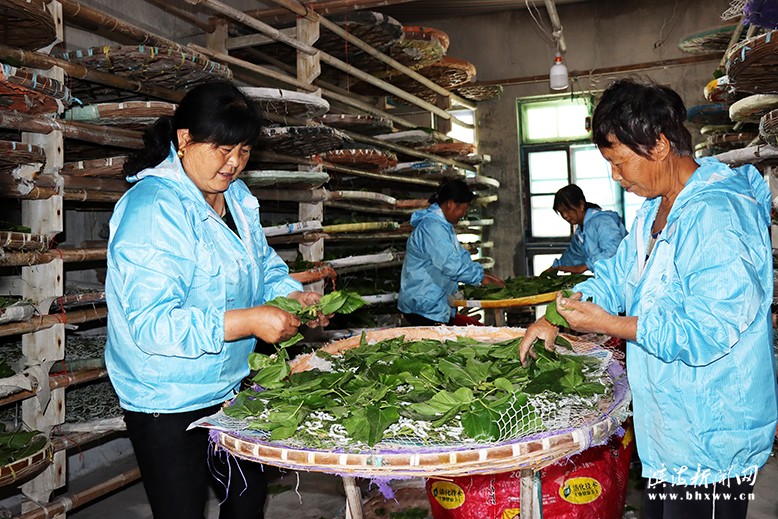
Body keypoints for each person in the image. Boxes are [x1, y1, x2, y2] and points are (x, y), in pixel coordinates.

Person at [519, 79, 777, 519]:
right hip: (667, 436)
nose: (615, 177)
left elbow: (708, 330)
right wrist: (554, 316)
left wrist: (608, 324)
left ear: (658, 146)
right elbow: (613, 277)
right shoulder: (649, 215)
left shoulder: (718, 215)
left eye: (619, 163)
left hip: (711, 441)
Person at [105, 82, 326, 519]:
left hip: (225, 387)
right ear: (184, 140)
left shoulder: (238, 199)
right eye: (223, 148)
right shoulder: (153, 209)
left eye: (243, 151)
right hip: (166, 399)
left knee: (246, 498)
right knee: (181, 510)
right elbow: (153, 325)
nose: (233, 164)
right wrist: (248, 321)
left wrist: (293, 297)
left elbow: (263, 269)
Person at [398, 179, 503, 325]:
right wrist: (480, 278)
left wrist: (483, 274)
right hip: (423, 307)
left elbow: (460, 257)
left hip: (432, 304)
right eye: (463, 208)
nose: (464, 214)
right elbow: (451, 265)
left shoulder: (443, 226)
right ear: (450, 204)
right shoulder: (432, 228)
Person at [548, 184, 627, 274]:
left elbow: (615, 249)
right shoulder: (581, 232)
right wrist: (555, 267)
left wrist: (585, 266)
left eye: (567, 210)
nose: (565, 216)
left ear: (581, 205)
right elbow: (573, 255)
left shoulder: (602, 221)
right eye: (561, 212)